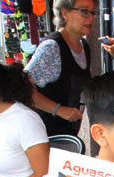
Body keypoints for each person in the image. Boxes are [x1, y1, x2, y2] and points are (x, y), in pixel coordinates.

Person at [25, 0, 95, 136]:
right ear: (65, 13)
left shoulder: (84, 46)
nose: (90, 18)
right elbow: (23, 87)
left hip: (67, 133)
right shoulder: (52, 47)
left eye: (93, 12)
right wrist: (58, 109)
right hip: (45, 135)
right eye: (84, 11)